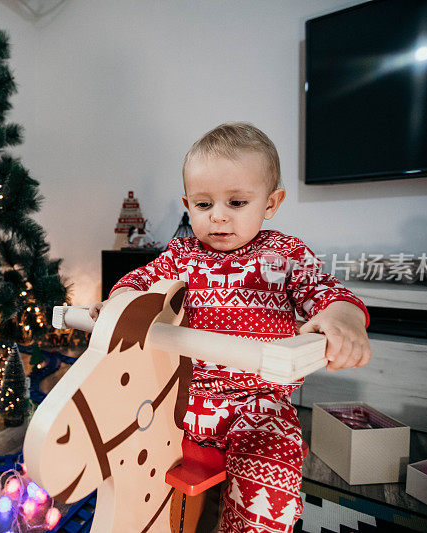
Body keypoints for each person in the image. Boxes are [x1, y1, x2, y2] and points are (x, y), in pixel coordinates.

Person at [89, 122, 371, 533]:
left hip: (257, 401)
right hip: (179, 398)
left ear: (271, 204)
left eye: (237, 202)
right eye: (203, 205)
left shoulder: (283, 255)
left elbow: (324, 290)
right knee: (119, 443)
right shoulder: (182, 254)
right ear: (188, 204)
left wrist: (342, 317)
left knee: (272, 467)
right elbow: (139, 282)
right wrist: (119, 303)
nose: (218, 217)